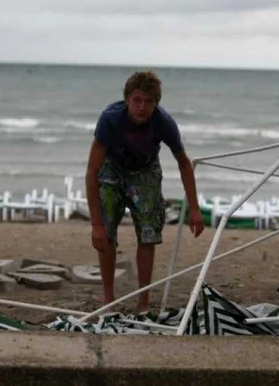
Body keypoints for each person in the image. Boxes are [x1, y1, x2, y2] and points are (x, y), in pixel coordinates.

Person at [85, 71, 205, 312]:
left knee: (149, 233)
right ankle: (109, 300)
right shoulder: (110, 119)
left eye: (149, 101)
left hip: (146, 170)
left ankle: (142, 302)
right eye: (137, 100)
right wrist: (96, 224)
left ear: (156, 103)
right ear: (127, 99)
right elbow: (92, 172)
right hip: (113, 168)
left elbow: (183, 162)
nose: (142, 107)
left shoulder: (164, 122)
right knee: (106, 234)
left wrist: (194, 208)